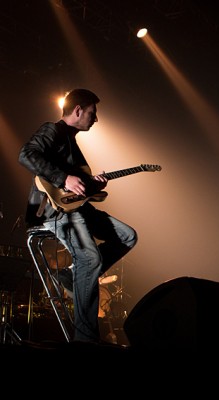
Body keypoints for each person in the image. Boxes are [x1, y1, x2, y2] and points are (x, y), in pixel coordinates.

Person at [18, 88, 138, 343]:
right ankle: (85, 340)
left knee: (127, 236)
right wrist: (64, 178)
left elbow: (79, 188)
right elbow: (26, 154)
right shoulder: (52, 130)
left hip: (78, 208)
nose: (96, 119)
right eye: (93, 113)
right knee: (91, 259)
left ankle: (72, 275)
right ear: (78, 110)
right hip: (54, 210)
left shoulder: (72, 142)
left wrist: (94, 185)